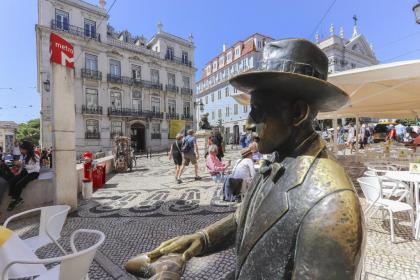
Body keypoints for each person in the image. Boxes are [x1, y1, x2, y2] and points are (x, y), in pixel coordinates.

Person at [126, 38, 363, 279]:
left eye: (257, 112)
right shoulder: (277, 158)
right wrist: (201, 240)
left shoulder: (330, 204)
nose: (248, 124)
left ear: (297, 113)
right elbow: (246, 218)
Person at [7, 140, 40, 211]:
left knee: (19, 184)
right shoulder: (24, 156)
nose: (21, 151)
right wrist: (19, 171)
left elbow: (33, 167)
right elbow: (22, 166)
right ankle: (17, 198)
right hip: (26, 171)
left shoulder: (35, 156)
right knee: (12, 181)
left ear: (27, 149)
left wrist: (22, 164)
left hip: (33, 173)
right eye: (20, 149)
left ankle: (15, 200)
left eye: (22, 149)